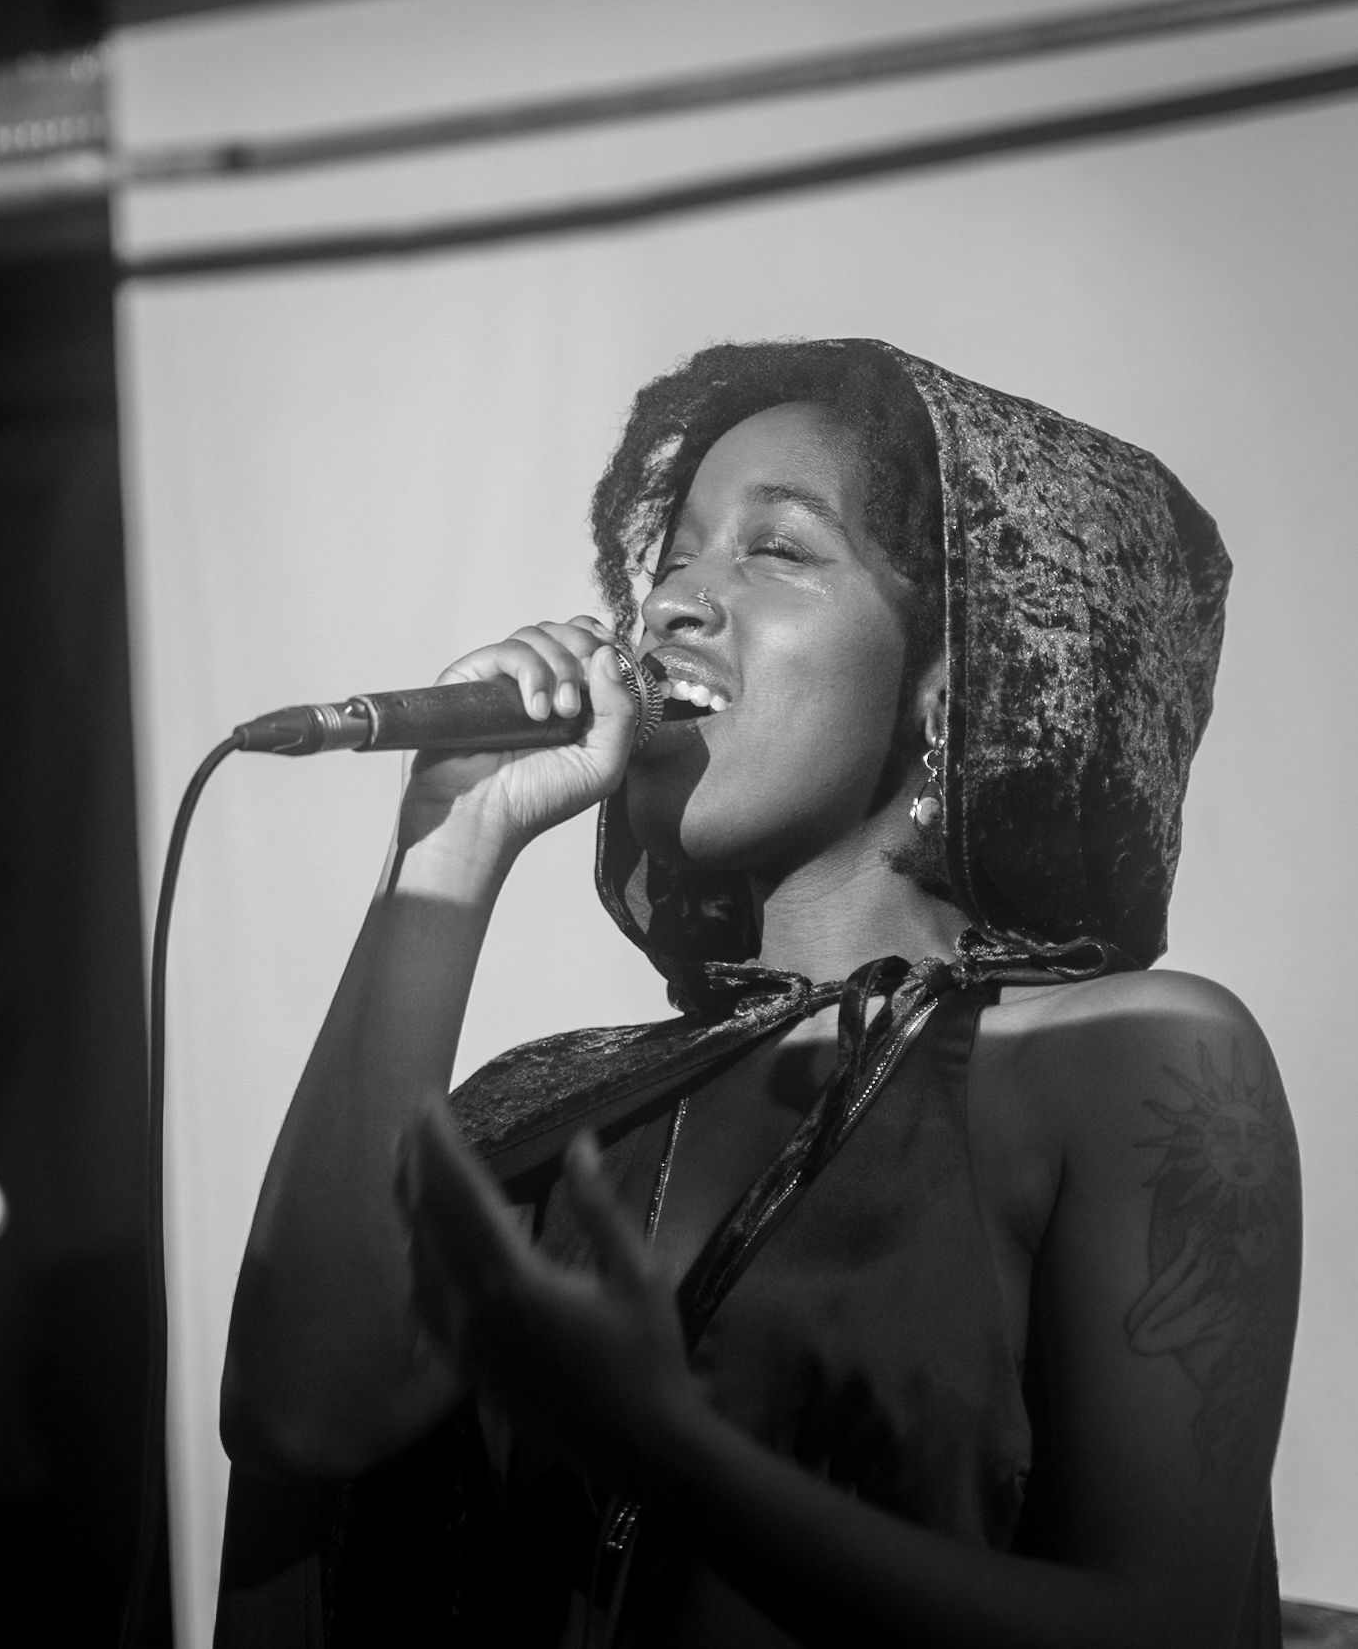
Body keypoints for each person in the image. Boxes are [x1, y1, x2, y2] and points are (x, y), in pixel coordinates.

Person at [216, 339, 1300, 1648]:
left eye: (776, 549)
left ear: (960, 670)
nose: (669, 604)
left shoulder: (1142, 1056)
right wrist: (451, 842)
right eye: (669, 556)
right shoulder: (563, 1105)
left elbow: (1165, 1630)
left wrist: (679, 1460)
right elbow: (298, 1416)